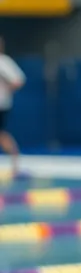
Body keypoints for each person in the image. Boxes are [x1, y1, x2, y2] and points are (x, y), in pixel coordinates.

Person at [0, 37, 26, 177]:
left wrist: (7, 89)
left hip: (1, 105)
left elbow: (18, 81)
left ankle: (16, 168)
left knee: (2, 135)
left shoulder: (3, 62)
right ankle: (16, 167)